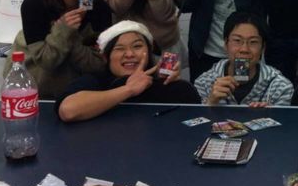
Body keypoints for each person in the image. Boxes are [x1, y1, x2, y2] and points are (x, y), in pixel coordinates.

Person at [4, 0, 111, 99]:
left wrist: (71, 36)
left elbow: (98, 64)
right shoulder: (34, 5)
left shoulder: (99, 6)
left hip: (80, 91)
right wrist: (64, 30)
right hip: (34, 87)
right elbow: (47, 61)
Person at [57, 21, 200, 122]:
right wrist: (129, 89)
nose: (130, 54)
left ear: (149, 51)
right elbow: (68, 110)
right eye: (119, 49)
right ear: (106, 57)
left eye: (137, 46)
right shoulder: (93, 81)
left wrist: (172, 87)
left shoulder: (163, 83)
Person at [194, 11, 294, 106]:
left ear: (263, 48)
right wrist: (210, 103)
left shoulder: (280, 86)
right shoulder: (204, 82)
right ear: (225, 44)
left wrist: (270, 115)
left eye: (253, 42)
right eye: (237, 40)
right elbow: (196, 117)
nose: (244, 49)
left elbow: (285, 119)